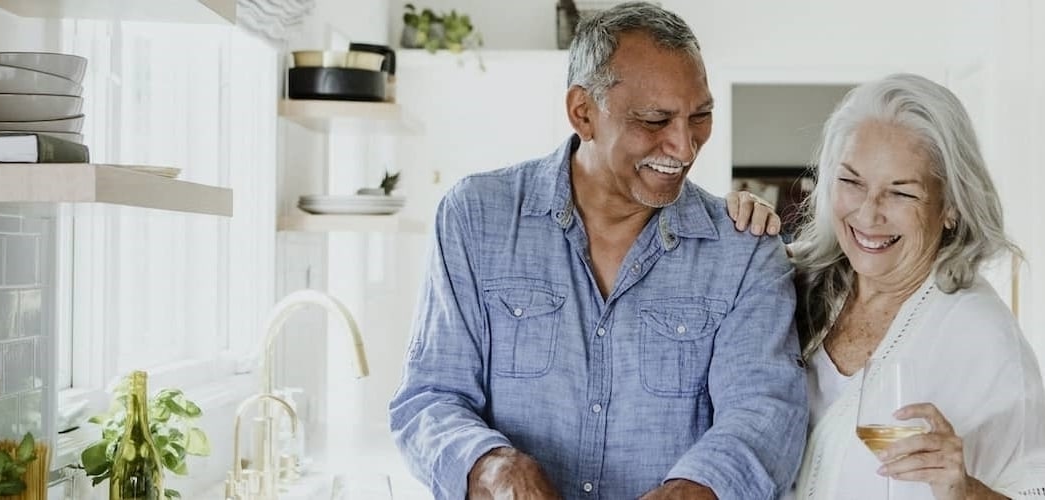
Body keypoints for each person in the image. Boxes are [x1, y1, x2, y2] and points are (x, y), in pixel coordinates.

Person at [388, 3, 808, 499]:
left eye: (700, 116)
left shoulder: (744, 251)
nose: (684, 146)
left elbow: (765, 412)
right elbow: (431, 397)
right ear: (583, 112)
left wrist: (696, 488)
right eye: (654, 120)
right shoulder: (476, 218)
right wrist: (491, 467)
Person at [728, 73, 1045, 499]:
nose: (868, 213)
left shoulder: (982, 336)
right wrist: (730, 229)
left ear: (950, 205)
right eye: (852, 182)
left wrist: (965, 490)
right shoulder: (792, 283)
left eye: (901, 193)